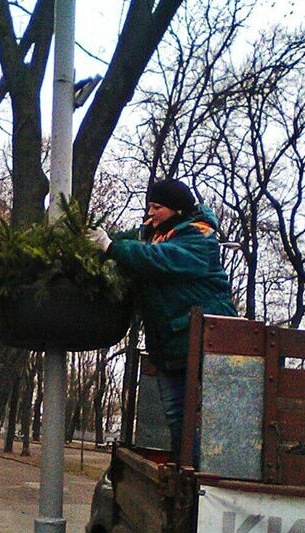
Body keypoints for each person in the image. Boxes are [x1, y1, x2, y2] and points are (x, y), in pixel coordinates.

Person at [87, 178, 237, 464]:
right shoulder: (154, 234)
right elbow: (130, 242)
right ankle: (186, 472)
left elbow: (159, 259)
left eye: (157, 207)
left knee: (199, 418)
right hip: (171, 347)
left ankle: (201, 476)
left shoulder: (198, 238)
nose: (151, 212)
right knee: (176, 416)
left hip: (205, 344)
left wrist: (110, 247)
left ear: (177, 210)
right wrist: (94, 241)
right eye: (149, 206)